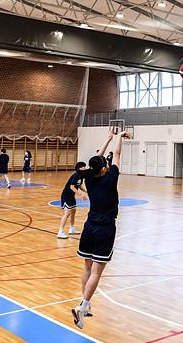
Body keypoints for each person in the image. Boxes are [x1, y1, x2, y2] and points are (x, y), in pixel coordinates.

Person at [71, 129, 129, 329]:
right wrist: (119, 138)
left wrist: (108, 139)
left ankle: (85, 305)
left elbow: (96, 159)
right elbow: (117, 154)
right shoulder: (110, 177)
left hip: (89, 227)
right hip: (105, 229)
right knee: (96, 271)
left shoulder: (89, 177)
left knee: (87, 268)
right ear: (104, 168)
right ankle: (82, 306)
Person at [57, 162, 88, 239]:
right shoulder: (76, 175)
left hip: (71, 196)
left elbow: (79, 185)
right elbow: (72, 187)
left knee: (73, 212)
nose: (85, 167)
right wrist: (81, 194)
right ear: (79, 168)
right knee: (67, 213)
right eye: (83, 166)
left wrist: (87, 191)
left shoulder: (81, 176)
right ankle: (60, 232)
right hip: (66, 196)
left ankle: (72, 228)